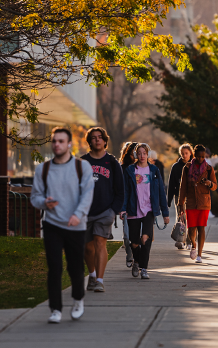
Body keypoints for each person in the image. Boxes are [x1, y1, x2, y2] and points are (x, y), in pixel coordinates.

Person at [30, 127, 95, 324]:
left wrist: (78, 215)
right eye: (54, 141)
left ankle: (78, 300)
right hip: (52, 224)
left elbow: (87, 195)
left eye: (60, 141)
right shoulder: (44, 169)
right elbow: (35, 197)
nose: (56, 144)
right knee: (54, 267)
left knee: (75, 267)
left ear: (69, 144)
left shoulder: (81, 167)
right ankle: (55, 309)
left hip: (75, 225)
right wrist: (44, 203)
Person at [81, 127, 124, 293]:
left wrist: (114, 210)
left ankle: (99, 280)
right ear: (90, 141)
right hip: (85, 211)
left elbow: (120, 190)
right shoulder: (83, 162)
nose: (97, 140)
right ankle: (92, 275)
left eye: (100, 137)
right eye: (93, 138)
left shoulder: (112, 163)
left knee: (100, 243)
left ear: (105, 141)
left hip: (105, 211)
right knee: (87, 248)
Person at [121, 143, 170, 279]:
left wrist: (165, 213)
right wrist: (123, 209)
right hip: (133, 209)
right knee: (134, 242)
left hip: (149, 209)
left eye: (144, 153)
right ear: (137, 155)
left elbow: (161, 191)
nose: (142, 156)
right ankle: (136, 262)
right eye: (140, 153)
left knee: (145, 238)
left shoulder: (153, 170)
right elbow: (125, 191)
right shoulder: (130, 170)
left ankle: (144, 269)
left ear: (147, 154)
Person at [178, 144, 218, 263]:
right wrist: (181, 204)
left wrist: (209, 183)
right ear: (194, 155)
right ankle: (193, 245)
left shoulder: (209, 168)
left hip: (204, 203)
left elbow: (215, 186)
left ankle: (199, 254)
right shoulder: (187, 167)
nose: (201, 159)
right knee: (191, 229)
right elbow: (183, 187)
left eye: (203, 157)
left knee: (201, 228)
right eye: (199, 157)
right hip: (190, 202)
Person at [167, 143, 193, 249]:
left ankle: (189, 241)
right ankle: (180, 239)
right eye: (182, 153)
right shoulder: (176, 167)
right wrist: (168, 200)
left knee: (190, 218)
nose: (184, 155)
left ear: (191, 153)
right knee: (181, 218)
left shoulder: (194, 166)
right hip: (179, 196)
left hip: (191, 197)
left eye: (186, 153)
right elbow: (171, 183)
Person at [119, 142, 139, 268]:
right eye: (133, 153)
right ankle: (129, 254)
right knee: (127, 236)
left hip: (141, 207)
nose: (136, 156)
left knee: (139, 237)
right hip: (126, 206)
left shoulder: (144, 168)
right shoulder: (123, 168)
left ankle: (137, 259)